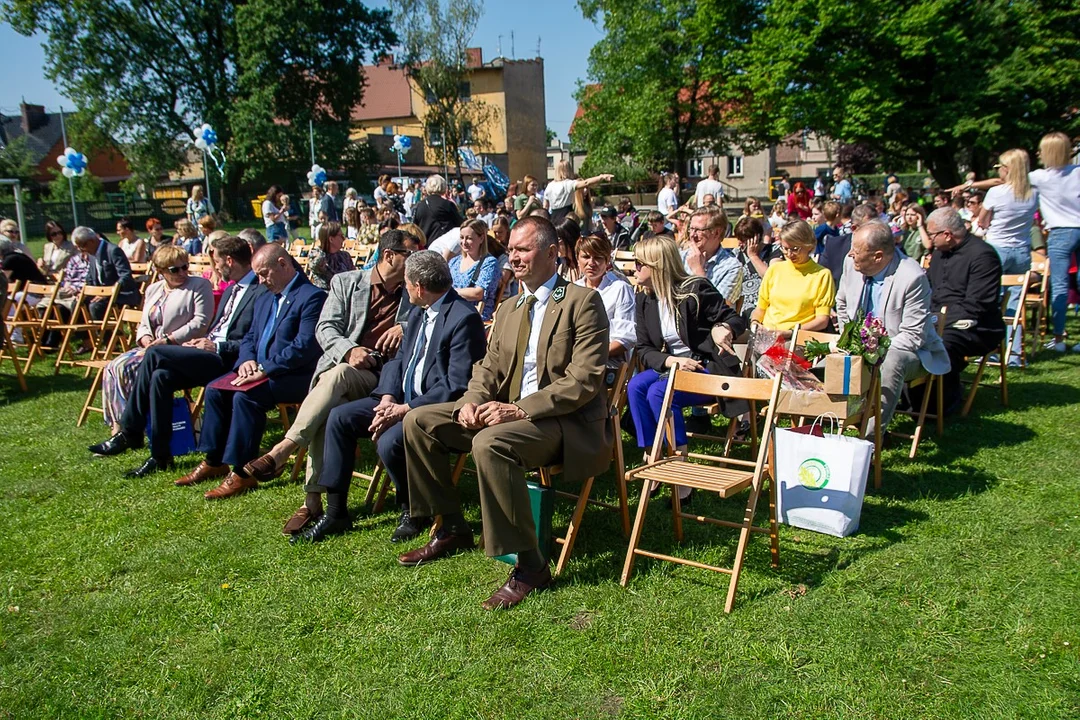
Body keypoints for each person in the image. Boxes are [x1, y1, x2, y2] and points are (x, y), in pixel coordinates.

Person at [398, 216, 611, 611]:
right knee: (419, 420)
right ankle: (452, 527)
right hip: (509, 415)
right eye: (511, 249)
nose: (514, 256)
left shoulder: (582, 302)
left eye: (523, 249)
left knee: (490, 443)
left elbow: (584, 380)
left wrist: (517, 409)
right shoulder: (512, 306)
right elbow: (488, 368)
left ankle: (531, 566)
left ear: (551, 253)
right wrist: (470, 402)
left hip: (562, 424)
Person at [295, 251, 487, 543]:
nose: (404, 289)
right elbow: (398, 361)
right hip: (400, 400)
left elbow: (457, 384)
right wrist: (386, 397)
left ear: (419, 286)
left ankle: (414, 508)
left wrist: (406, 408)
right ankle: (336, 512)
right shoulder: (419, 311)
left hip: (432, 407)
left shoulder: (463, 319)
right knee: (340, 417)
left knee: (391, 440)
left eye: (407, 284)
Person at [242, 230, 416, 514]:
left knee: (337, 377)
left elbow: (431, 321)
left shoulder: (413, 291)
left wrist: (404, 327)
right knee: (331, 405)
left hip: (385, 378)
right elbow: (324, 329)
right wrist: (350, 350)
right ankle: (312, 501)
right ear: (390, 255)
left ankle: (284, 449)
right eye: (411, 254)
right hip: (346, 370)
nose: (416, 259)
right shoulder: (347, 282)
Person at [89, 236, 268, 477]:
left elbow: (254, 339)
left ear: (229, 261)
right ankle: (160, 456)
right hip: (204, 351)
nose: (214, 268)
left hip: (226, 359)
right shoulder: (232, 289)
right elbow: (216, 326)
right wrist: (201, 342)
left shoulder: (259, 291)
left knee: (154, 353)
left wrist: (216, 346)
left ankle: (130, 431)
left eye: (216, 262)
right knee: (160, 377)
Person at [173, 243, 327, 498]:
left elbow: (304, 347)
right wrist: (246, 361)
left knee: (247, 397)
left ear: (283, 264)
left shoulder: (311, 297)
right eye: (257, 274)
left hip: (295, 376)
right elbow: (249, 337)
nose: (261, 280)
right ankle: (214, 460)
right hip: (259, 370)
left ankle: (242, 473)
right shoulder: (265, 297)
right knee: (215, 389)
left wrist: (265, 369)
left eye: (264, 273)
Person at [628, 235, 746, 492]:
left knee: (659, 391)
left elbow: (736, 319)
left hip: (706, 367)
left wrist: (723, 328)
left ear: (657, 265)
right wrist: (671, 360)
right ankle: (654, 453)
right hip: (675, 367)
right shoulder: (645, 299)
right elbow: (644, 349)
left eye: (639, 263)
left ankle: (680, 464)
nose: (634, 268)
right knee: (636, 385)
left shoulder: (696, 289)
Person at [837, 221, 950, 436]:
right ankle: (829, 426)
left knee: (890, 361)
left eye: (856, 250)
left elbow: (912, 337)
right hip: (860, 346)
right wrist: (848, 338)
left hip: (909, 353)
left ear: (878, 256)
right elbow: (842, 303)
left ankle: (868, 440)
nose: (850, 254)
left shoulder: (912, 277)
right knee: (824, 362)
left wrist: (872, 352)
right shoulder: (850, 264)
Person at [98, 246, 213, 436]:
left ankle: (129, 428)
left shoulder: (199, 286)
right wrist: (145, 338)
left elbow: (200, 323)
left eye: (185, 267)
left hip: (180, 348)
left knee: (126, 367)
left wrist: (166, 341)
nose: (182, 272)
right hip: (151, 347)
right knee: (112, 367)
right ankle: (119, 425)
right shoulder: (153, 289)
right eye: (174, 270)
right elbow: (144, 322)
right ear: (160, 271)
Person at [925, 207, 1005, 412]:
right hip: (939, 319)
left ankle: (942, 403)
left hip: (978, 327)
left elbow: (977, 304)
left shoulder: (983, 256)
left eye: (932, 235)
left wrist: (937, 321)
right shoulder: (938, 254)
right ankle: (915, 397)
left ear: (947, 235)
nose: (929, 239)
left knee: (942, 343)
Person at [979, 149, 1038, 365]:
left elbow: (982, 222)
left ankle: (991, 348)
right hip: (1022, 250)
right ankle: (1013, 353)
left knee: (993, 301)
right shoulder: (1032, 194)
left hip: (997, 249)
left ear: (1007, 168)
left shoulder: (997, 193)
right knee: (1015, 303)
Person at [751, 220, 835, 335]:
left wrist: (790, 332)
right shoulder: (774, 270)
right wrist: (755, 323)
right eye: (784, 248)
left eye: (795, 249)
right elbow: (761, 308)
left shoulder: (822, 275)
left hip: (797, 338)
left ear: (808, 246)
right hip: (767, 334)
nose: (789, 254)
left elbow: (822, 320)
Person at [575, 232, 635, 368]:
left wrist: (591, 355)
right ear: (578, 259)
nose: (591, 263)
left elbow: (625, 339)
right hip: (575, 358)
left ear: (607, 261)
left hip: (607, 361)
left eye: (598, 258)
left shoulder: (620, 289)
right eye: (586, 257)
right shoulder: (574, 288)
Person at [71, 226, 140, 317]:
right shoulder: (91, 254)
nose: (81, 250)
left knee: (95, 306)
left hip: (122, 294)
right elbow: (90, 278)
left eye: (82, 246)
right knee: (77, 303)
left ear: (91, 241)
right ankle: (84, 331)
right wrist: (84, 293)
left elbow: (125, 276)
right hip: (101, 294)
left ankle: (103, 331)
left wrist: (107, 293)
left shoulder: (113, 251)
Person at [681, 205, 743, 306]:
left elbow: (717, 309)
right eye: (691, 229)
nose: (692, 235)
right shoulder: (681, 257)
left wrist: (698, 271)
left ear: (717, 233)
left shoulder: (732, 267)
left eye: (698, 230)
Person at [448, 219, 500, 321]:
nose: (464, 242)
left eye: (469, 238)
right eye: (462, 238)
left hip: (474, 315)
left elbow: (478, 293)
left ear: (481, 238)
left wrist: (449, 291)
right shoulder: (454, 262)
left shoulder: (489, 263)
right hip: (453, 311)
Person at [732, 216, 781, 322]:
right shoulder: (735, 254)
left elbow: (772, 279)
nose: (740, 243)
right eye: (738, 239)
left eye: (744, 240)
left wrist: (753, 256)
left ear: (756, 237)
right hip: (742, 307)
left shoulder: (774, 251)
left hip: (766, 305)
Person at [818, 203, 877, 285]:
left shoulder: (882, 249)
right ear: (854, 228)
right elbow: (820, 278)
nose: (874, 233)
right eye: (868, 229)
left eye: (876, 228)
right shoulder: (833, 246)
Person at [545, 162, 614, 224]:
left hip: (553, 218)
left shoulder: (549, 185)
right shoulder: (568, 184)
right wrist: (601, 177)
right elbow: (586, 182)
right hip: (566, 219)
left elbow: (545, 206)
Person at [306, 221, 356, 291]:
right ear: (331, 239)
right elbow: (315, 266)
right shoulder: (317, 256)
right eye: (341, 236)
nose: (344, 239)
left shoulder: (345, 256)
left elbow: (354, 275)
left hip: (345, 293)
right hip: (326, 295)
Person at [413, 175, 463, 242]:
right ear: (443, 186)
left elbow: (415, 227)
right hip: (444, 244)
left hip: (426, 244)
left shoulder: (419, 205)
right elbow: (459, 223)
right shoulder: (447, 204)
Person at [554, 216, 582, 282]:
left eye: (557, 239)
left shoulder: (586, 265)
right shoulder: (562, 269)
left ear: (569, 238)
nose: (554, 244)